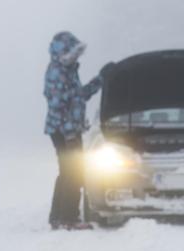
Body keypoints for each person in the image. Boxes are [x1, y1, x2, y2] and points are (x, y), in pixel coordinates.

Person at [43, 32, 110, 229]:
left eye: (77, 53)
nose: (75, 57)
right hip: (64, 131)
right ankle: (68, 218)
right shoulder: (57, 72)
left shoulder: (68, 71)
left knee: (67, 172)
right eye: (72, 53)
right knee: (74, 173)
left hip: (68, 129)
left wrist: (100, 79)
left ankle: (57, 217)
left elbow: (79, 97)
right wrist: (69, 133)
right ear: (61, 52)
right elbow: (57, 105)